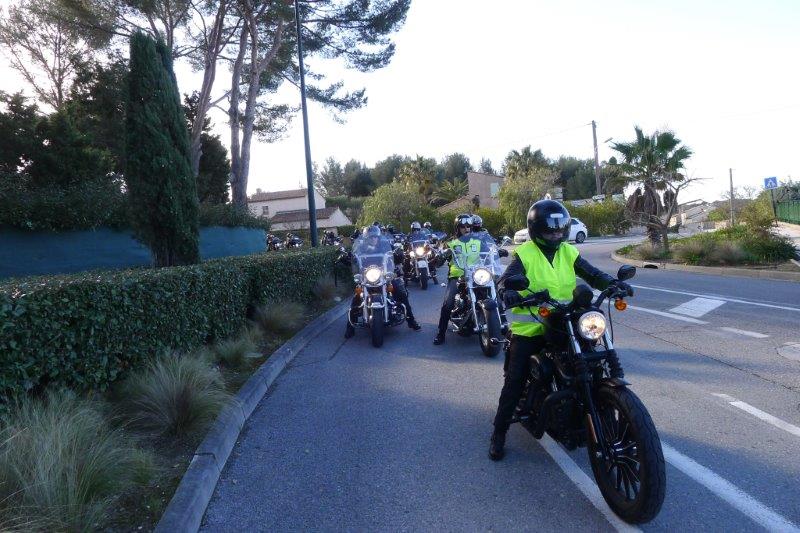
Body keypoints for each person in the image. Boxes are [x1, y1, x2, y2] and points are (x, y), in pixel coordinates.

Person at [488, 200, 632, 461]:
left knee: (593, 363)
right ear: (536, 230)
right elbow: (506, 280)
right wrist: (507, 291)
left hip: (567, 321)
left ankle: (606, 415)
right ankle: (499, 432)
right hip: (533, 328)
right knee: (514, 381)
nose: (555, 235)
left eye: (559, 230)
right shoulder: (525, 253)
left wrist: (612, 283)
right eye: (549, 230)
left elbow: (591, 273)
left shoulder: (568, 251)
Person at [344, 225, 421, 338]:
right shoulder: (360, 248)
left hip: (384, 275)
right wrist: (348, 257)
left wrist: (398, 253)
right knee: (356, 298)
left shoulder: (385, 246)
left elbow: (393, 255)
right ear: (366, 239)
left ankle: (411, 320)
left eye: (375, 237)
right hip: (367, 277)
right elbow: (354, 258)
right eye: (370, 237)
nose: (373, 239)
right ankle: (350, 328)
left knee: (400, 292)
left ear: (379, 237)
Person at [432, 214, 485, 345]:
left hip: (477, 275)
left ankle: (500, 323)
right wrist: (440, 257)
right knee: (448, 303)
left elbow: (489, 253)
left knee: (492, 293)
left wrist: (497, 252)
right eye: (463, 227)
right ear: (457, 228)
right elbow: (438, 262)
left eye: (468, 226)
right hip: (457, 277)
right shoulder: (451, 243)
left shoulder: (478, 241)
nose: (466, 229)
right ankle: (441, 333)